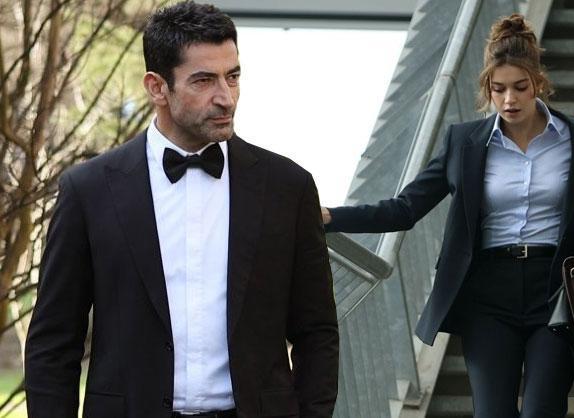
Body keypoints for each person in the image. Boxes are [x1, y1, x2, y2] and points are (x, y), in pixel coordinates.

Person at [323, 14, 574, 418]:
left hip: (555, 291)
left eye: (520, 87)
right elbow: (405, 209)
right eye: (499, 89)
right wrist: (331, 217)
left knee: (542, 411)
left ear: (538, 83)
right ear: (487, 88)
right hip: (487, 296)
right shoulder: (464, 144)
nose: (509, 99)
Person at [24, 2, 339, 417]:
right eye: (204, 80)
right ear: (157, 87)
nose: (225, 97)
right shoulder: (89, 190)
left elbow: (316, 330)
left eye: (233, 76)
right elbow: (53, 342)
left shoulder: (288, 187)